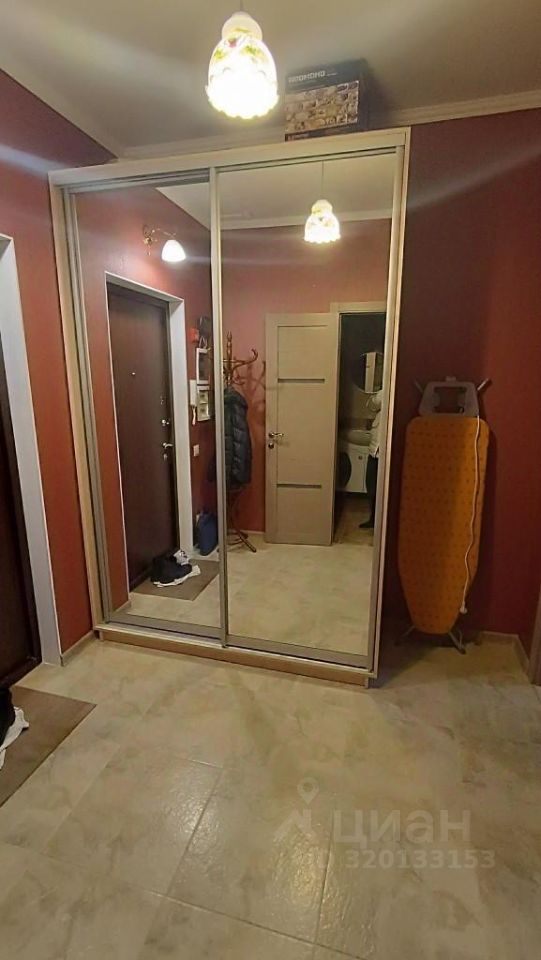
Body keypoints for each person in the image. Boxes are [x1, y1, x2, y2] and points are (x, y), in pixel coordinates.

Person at [360, 389, 382, 529]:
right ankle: (373, 518)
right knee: (371, 487)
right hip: (374, 451)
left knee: (379, 489)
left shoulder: (387, 392)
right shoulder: (383, 393)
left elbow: (374, 403)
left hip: (384, 454)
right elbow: (371, 405)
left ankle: (379, 521)